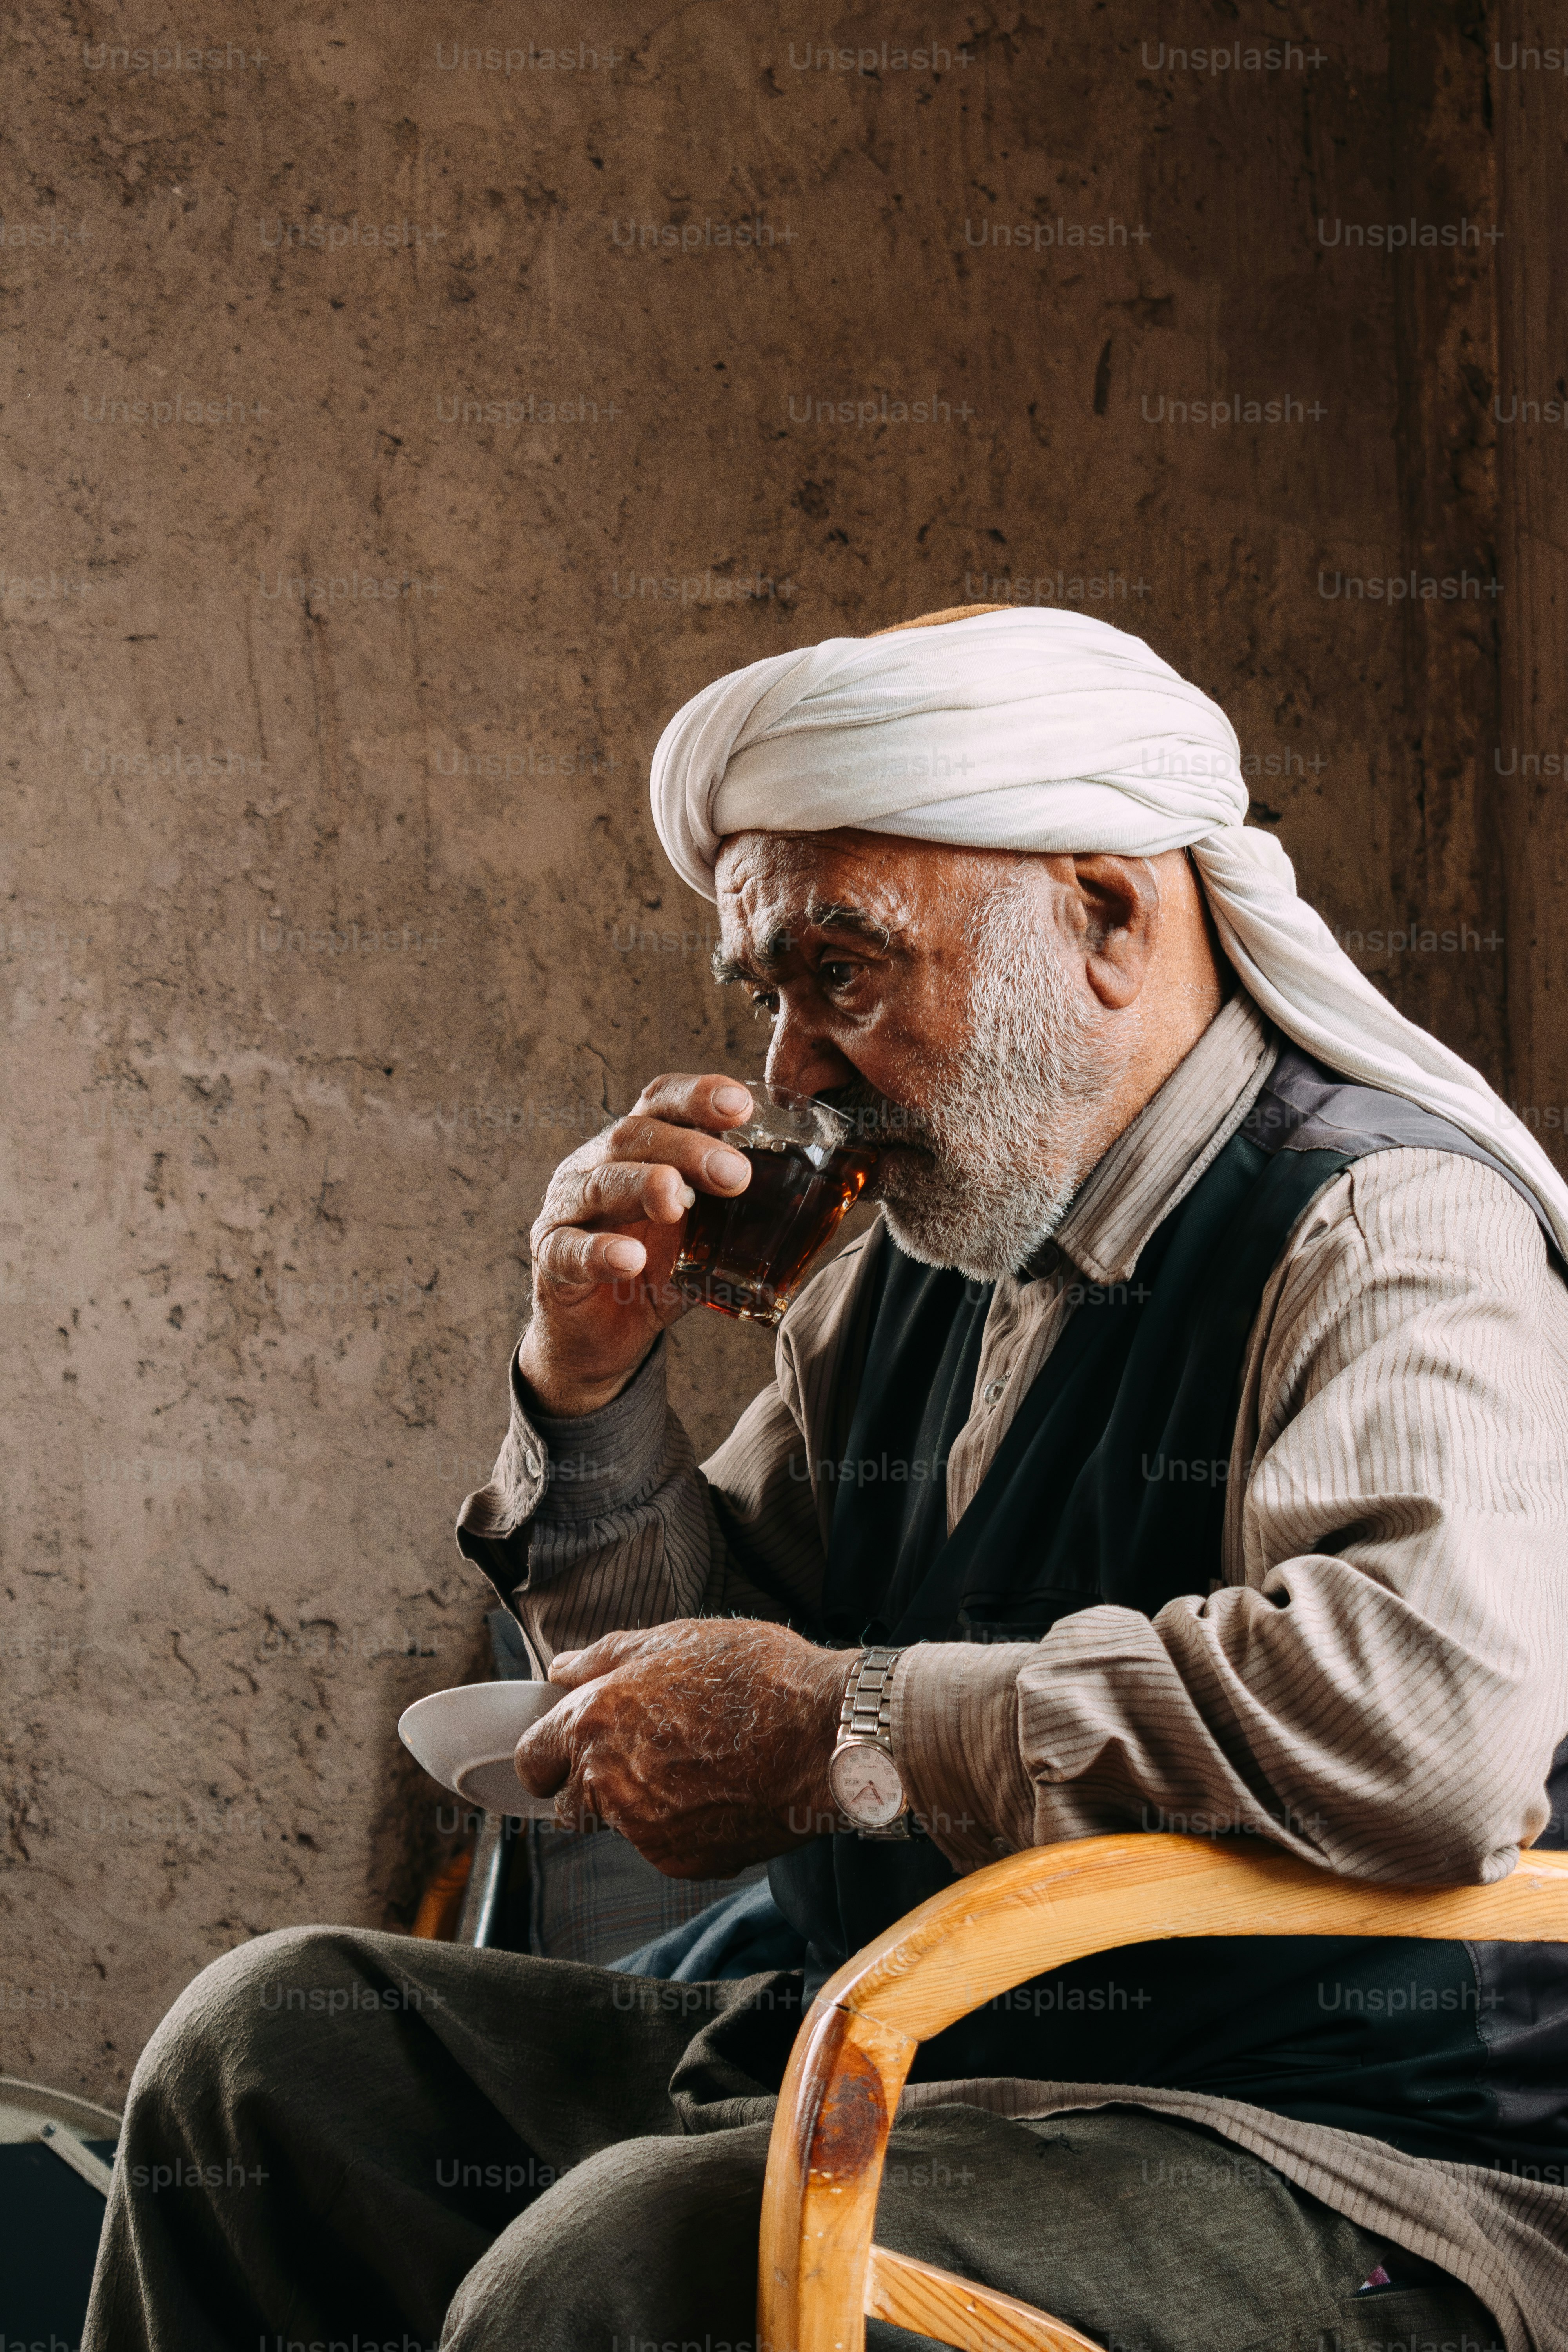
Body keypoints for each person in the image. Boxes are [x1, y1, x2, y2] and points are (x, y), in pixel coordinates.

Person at [86, 605, 1568, 2352]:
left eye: (841, 975)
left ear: (1102, 914)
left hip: (1317, 2158)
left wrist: (844, 1725)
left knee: (639, 2256)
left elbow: (1431, 1727)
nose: (790, 1070)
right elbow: (699, 1668)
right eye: (772, 994)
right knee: (273, 2059)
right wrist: (593, 1378)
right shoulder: (930, 1244)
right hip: (906, 2057)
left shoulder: (1384, 1219)